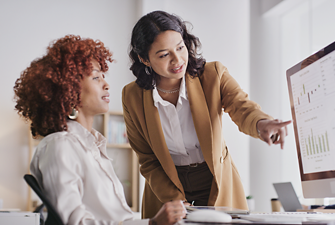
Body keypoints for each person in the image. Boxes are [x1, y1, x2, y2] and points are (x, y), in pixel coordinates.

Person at [122, 10, 292, 218]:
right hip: (166, 186)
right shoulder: (132, 96)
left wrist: (261, 123)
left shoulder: (213, 75)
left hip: (215, 181)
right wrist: (173, 198)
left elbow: (241, 107)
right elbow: (147, 159)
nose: (177, 60)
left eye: (180, 47)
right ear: (144, 59)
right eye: (164, 55)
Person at [13, 35, 186, 225]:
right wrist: (152, 224)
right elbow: (74, 222)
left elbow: (119, 219)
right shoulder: (60, 145)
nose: (106, 84)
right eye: (96, 77)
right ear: (68, 90)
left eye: (103, 76)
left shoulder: (91, 146)